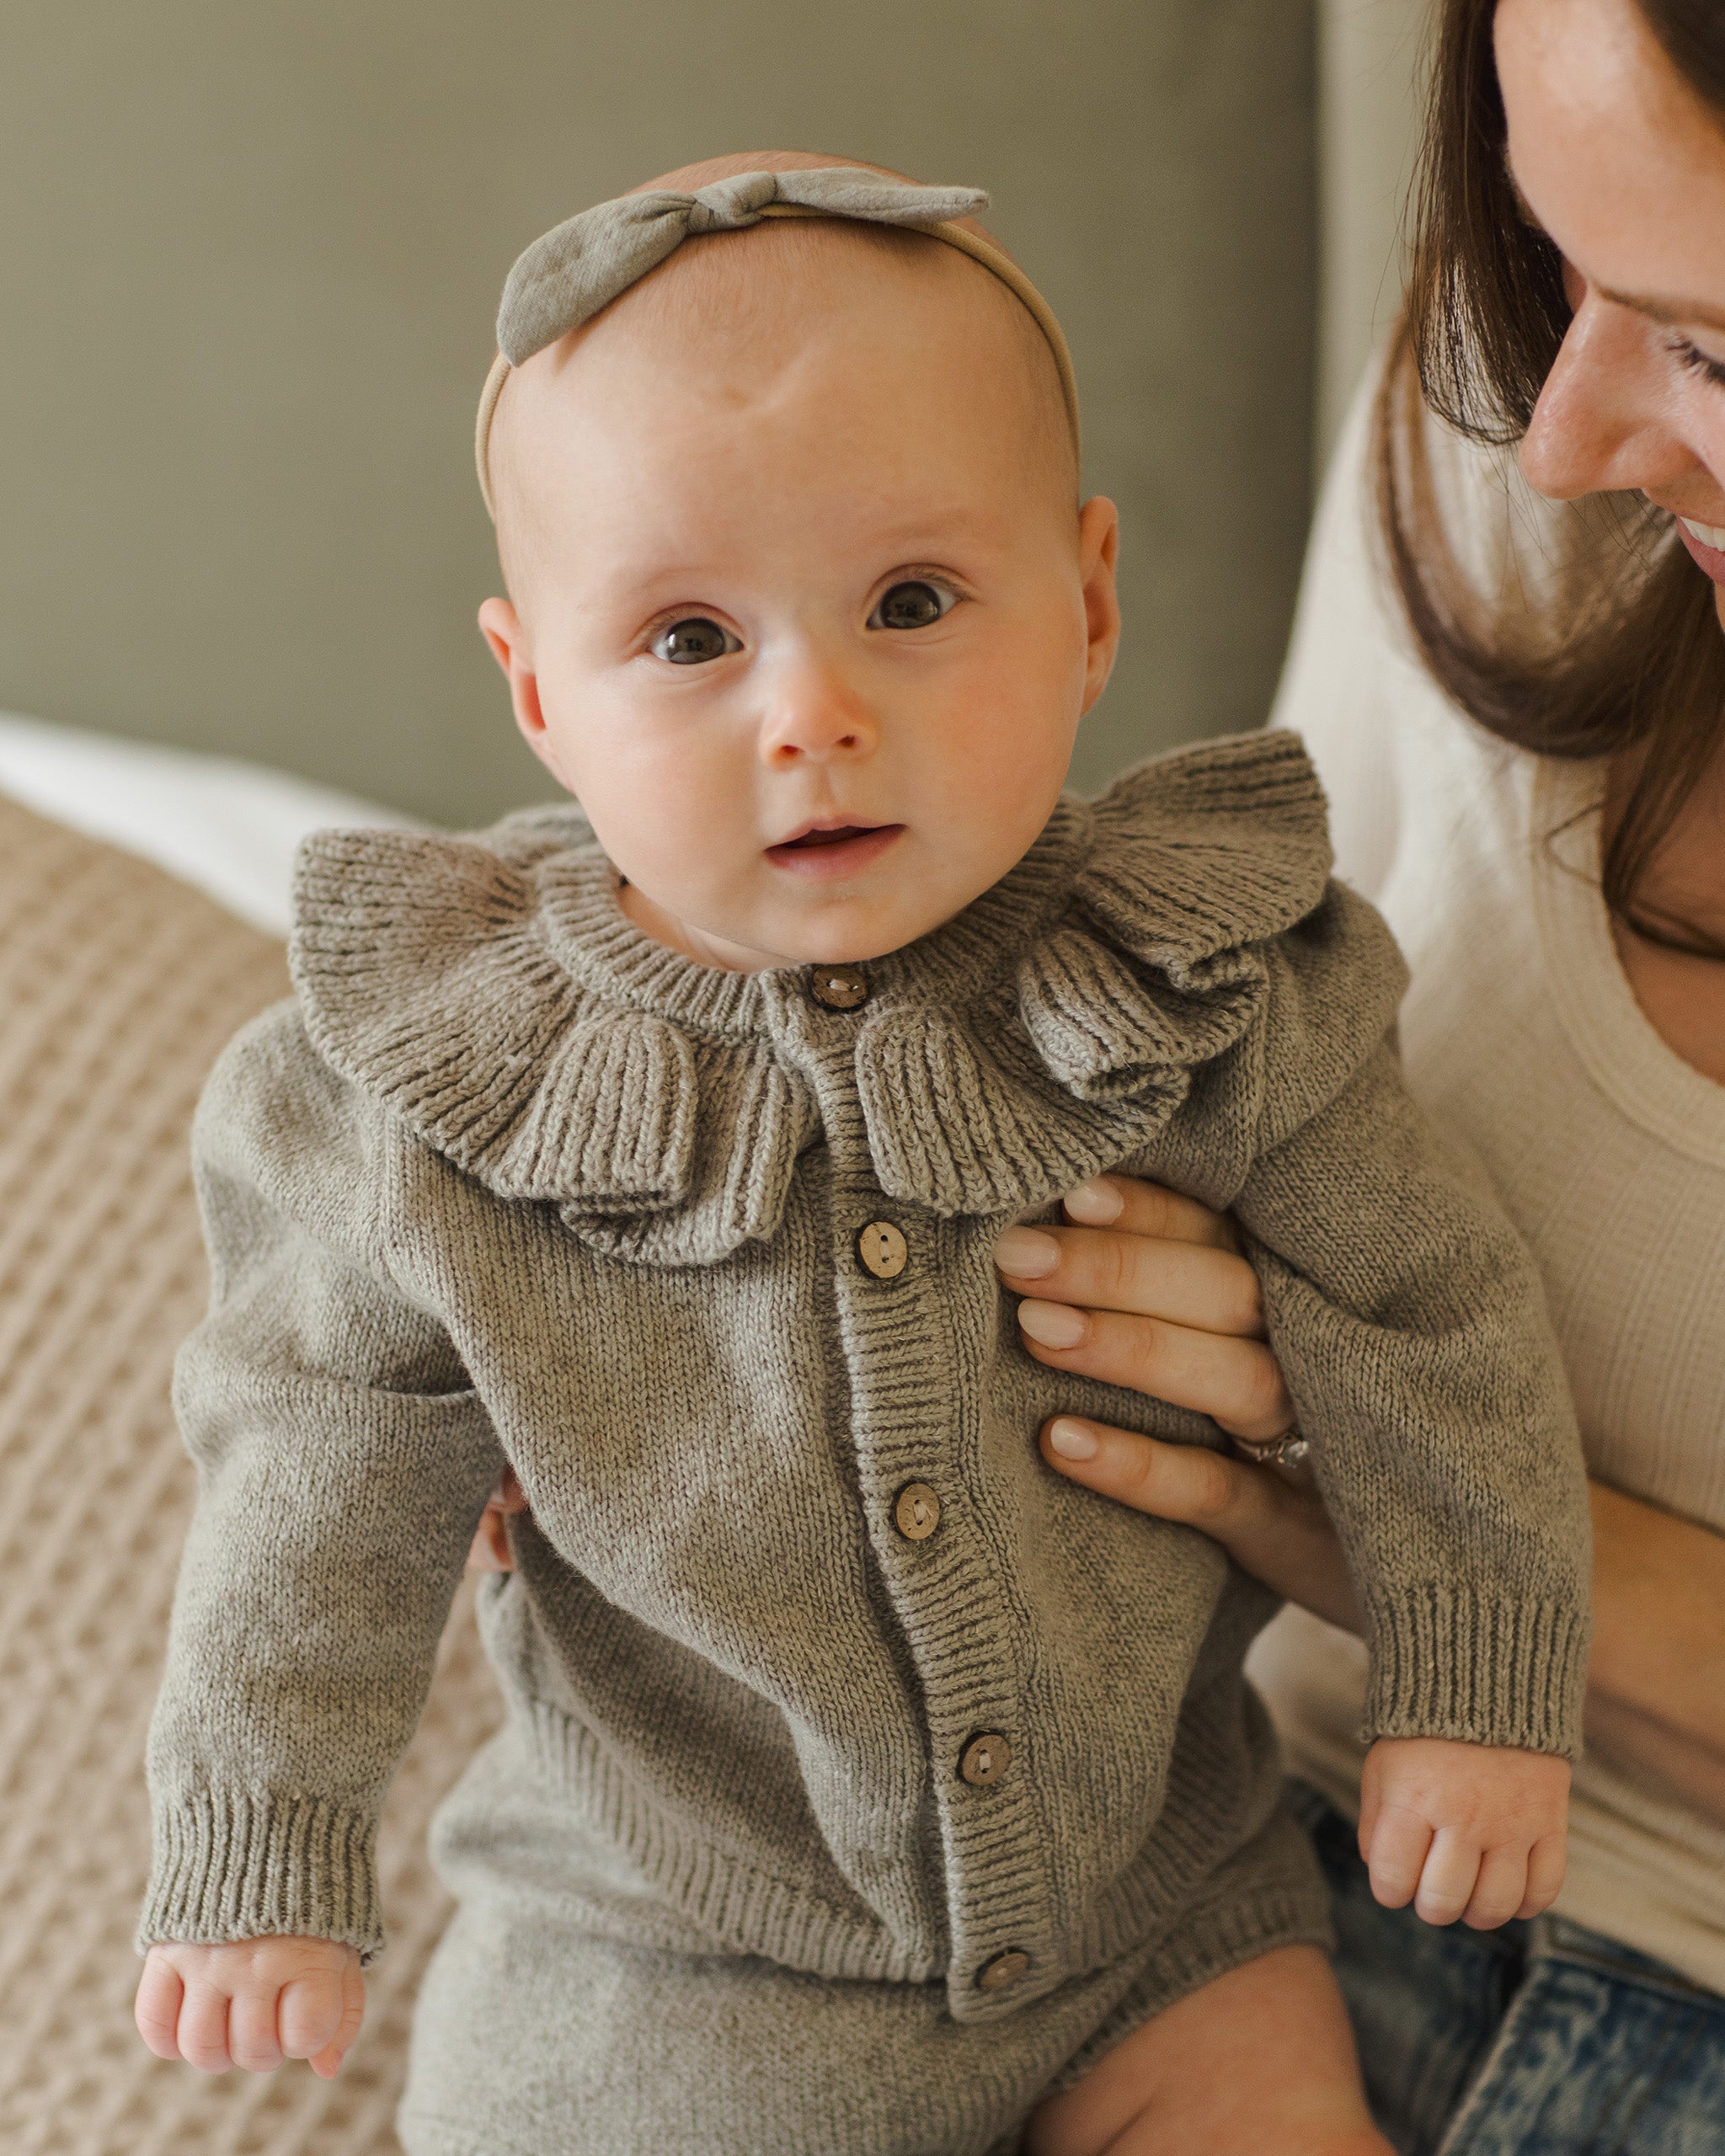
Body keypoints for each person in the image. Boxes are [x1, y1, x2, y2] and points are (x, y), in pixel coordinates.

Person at [130, 149, 1589, 2156]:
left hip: (1158, 1921)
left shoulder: (1209, 977)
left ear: (1085, 602)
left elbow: (1425, 1310)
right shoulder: (429, 1091)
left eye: (912, 601)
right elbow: (311, 1472)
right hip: (675, 1962)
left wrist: (1473, 1680)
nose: (810, 713)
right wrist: (263, 1841)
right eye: (688, 638)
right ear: (537, 689)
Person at [1005, 0, 1725, 2147]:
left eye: (1709, 346)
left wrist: (1375, 1481)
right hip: (1201, 1870)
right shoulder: (1507, 420)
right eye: (1541, 259)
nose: (1559, 438)